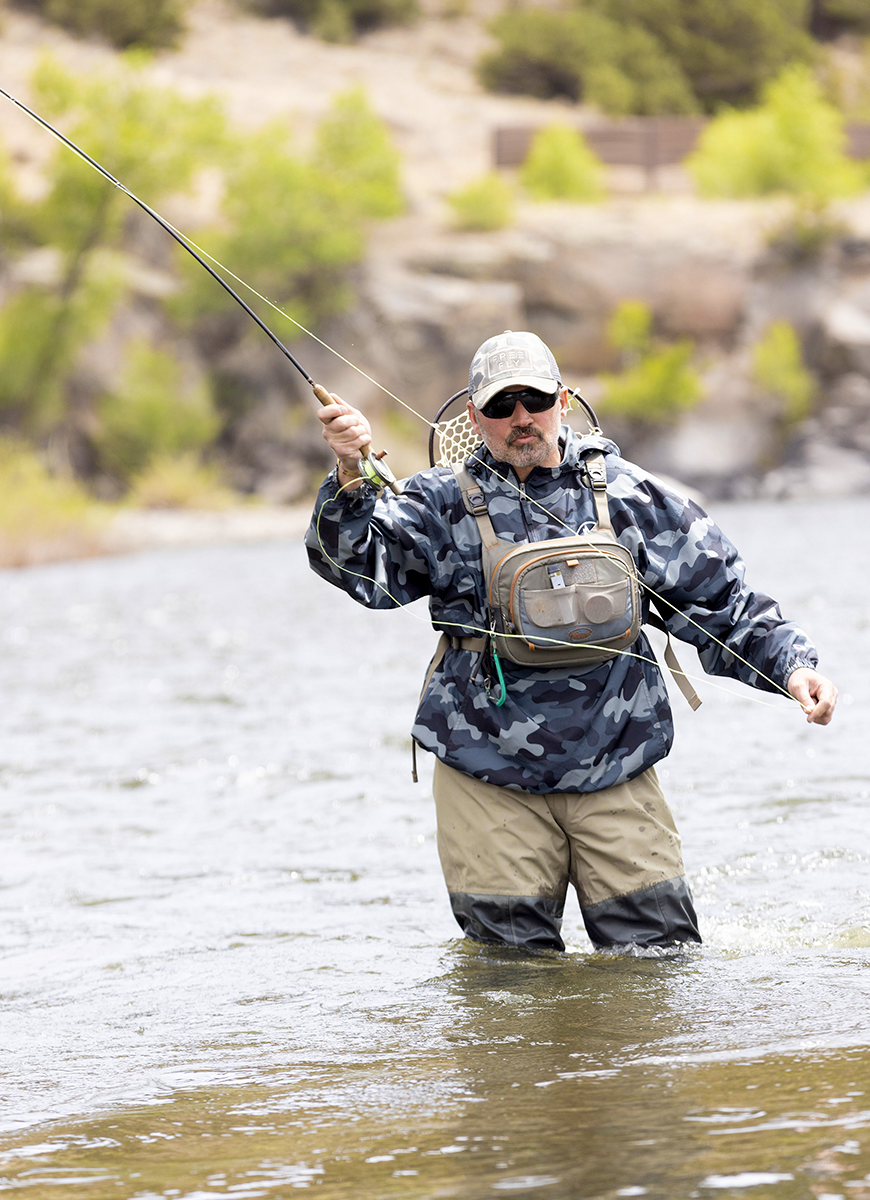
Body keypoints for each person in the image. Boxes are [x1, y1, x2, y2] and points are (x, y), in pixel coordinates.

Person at [305, 330, 837, 953]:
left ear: (563, 400)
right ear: (475, 417)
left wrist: (794, 668)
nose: (520, 419)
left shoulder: (631, 494)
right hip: (487, 774)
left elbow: (719, 598)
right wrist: (349, 476)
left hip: (617, 764)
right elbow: (360, 571)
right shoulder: (436, 503)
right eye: (502, 407)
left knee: (659, 963)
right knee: (510, 982)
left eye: (534, 400)